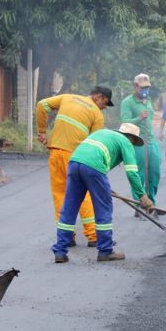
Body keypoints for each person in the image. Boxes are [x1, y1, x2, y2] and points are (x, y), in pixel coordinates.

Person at [51, 123, 155, 264]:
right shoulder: (125, 142)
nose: (133, 145)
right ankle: (106, 251)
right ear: (131, 137)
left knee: (69, 207)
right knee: (103, 208)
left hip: (74, 163)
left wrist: (98, 183)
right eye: (134, 142)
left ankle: (60, 252)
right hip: (93, 168)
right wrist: (142, 196)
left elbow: (90, 160)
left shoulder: (103, 134)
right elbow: (132, 172)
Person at [37, 86, 114, 248]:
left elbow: (41, 105)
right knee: (84, 194)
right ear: (98, 97)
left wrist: (42, 131)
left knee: (59, 194)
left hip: (55, 152)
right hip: (74, 156)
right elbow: (95, 143)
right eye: (105, 102)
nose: (105, 107)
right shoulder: (97, 114)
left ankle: (67, 236)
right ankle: (93, 236)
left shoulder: (67, 97)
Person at [120, 74, 161, 205]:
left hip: (151, 141)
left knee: (155, 173)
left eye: (147, 87)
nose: (145, 89)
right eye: (142, 87)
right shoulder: (128, 102)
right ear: (135, 86)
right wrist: (139, 119)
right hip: (138, 143)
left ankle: (152, 202)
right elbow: (125, 122)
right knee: (139, 175)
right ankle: (140, 203)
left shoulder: (148, 100)